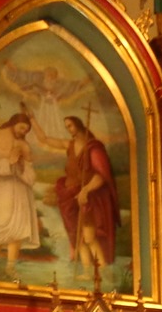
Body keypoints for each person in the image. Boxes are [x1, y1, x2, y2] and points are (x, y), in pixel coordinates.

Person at [36, 114, 118, 277]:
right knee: (78, 239)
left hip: (88, 198)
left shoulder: (93, 148)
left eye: (70, 125)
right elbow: (44, 139)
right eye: (66, 126)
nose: (68, 129)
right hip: (70, 197)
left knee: (89, 238)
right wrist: (32, 119)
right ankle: (87, 272)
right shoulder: (70, 145)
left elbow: (101, 175)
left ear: (78, 125)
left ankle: (102, 269)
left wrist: (85, 190)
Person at [0, 112, 41, 272]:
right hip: (3, 187)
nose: (23, 132)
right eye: (22, 127)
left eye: (26, 130)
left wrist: (20, 167)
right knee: (2, 224)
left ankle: (10, 268)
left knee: (18, 229)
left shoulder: (24, 145)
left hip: (21, 189)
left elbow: (30, 174)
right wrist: (9, 163)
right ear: (14, 122)